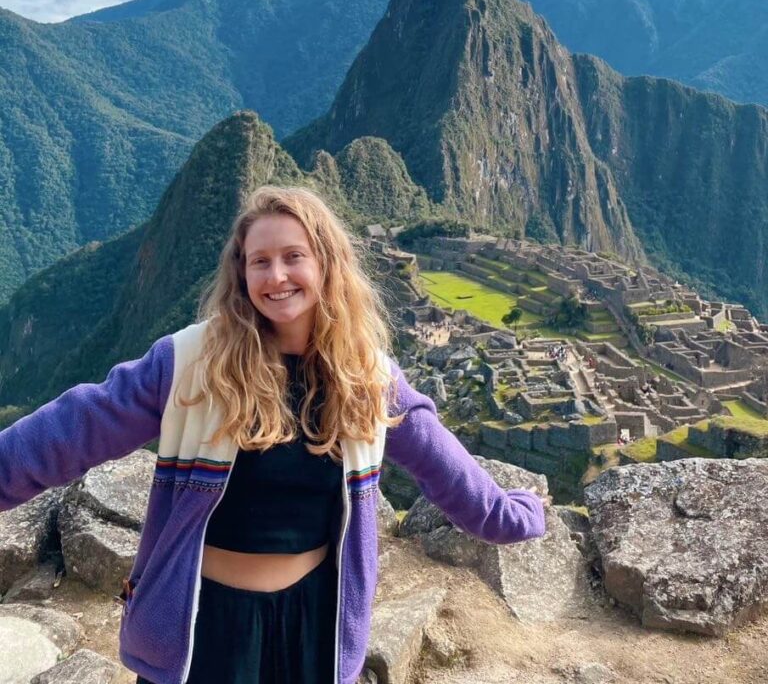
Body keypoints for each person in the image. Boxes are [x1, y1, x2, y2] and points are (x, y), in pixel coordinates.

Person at [0, 185, 548, 684]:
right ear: (241, 275)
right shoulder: (191, 363)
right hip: (202, 626)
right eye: (259, 262)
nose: (276, 276)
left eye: (293, 257)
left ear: (326, 264)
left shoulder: (367, 378)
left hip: (311, 625)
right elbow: (75, 427)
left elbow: (440, 463)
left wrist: (512, 516)